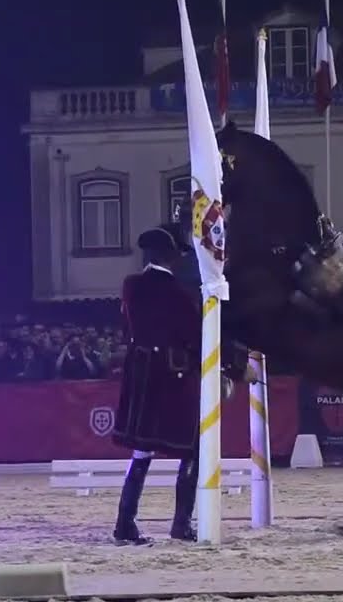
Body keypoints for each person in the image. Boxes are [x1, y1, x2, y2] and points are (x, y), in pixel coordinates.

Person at [109, 225, 206, 545]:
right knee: (191, 448)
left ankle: (125, 522)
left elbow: (127, 328)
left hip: (140, 372)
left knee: (141, 451)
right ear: (166, 256)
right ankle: (181, 523)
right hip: (172, 376)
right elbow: (192, 335)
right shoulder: (177, 292)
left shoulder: (131, 285)